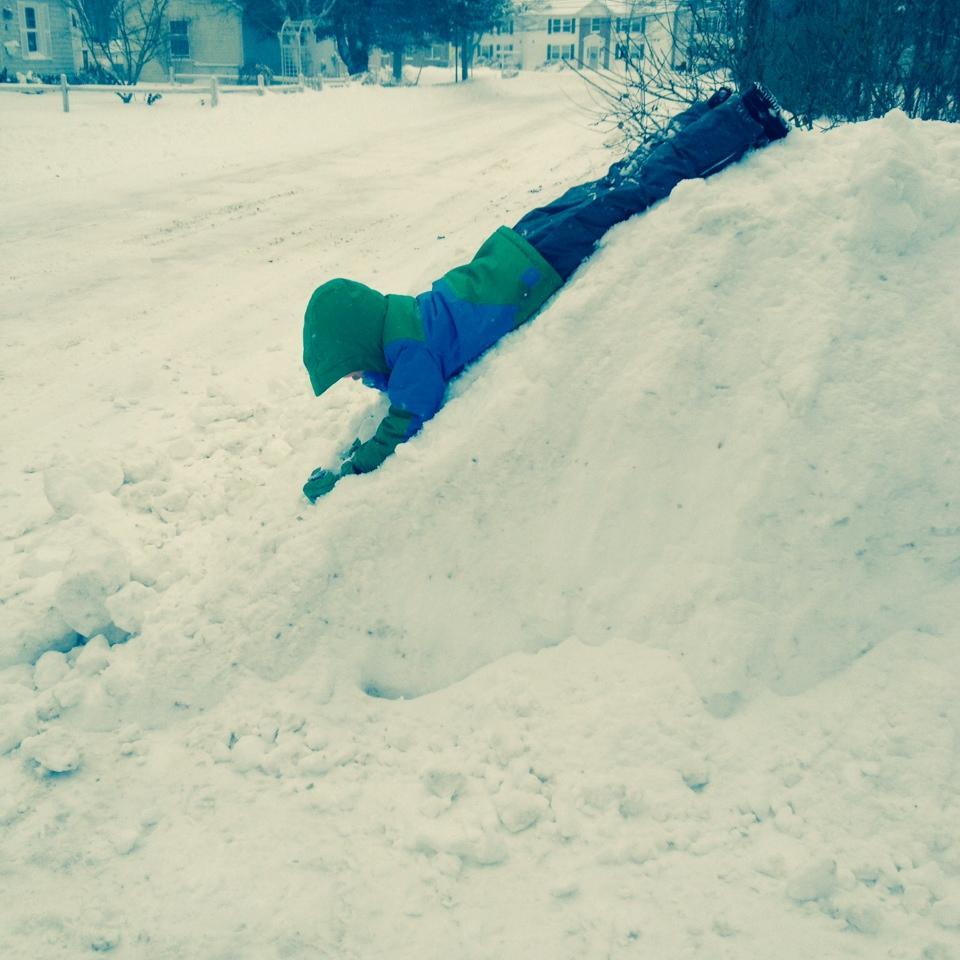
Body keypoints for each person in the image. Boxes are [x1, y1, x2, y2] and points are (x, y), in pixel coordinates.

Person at [301, 83, 789, 502]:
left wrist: (350, 472)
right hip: (521, 241)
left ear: (361, 342)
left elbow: (408, 417)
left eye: (352, 367)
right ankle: (710, 113)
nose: (357, 377)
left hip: (539, 263)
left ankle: (745, 118)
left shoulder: (409, 353)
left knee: (639, 188)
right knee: (621, 178)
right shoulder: (403, 318)